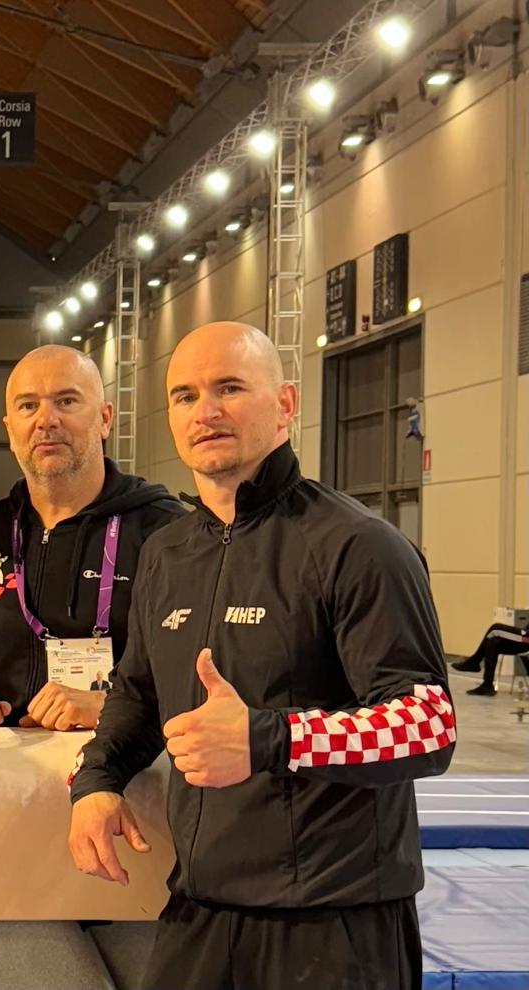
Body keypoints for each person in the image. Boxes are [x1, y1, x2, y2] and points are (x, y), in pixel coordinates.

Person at [68, 322, 456, 990]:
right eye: (185, 395)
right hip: (202, 909)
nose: (206, 411)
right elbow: (138, 693)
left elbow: (427, 726)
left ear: (286, 404)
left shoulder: (358, 544)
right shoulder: (166, 553)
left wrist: (268, 739)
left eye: (229, 388)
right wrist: (97, 780)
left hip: (333, 920)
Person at [0, 344, 182, 976]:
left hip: (127, 802)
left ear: (104, 417)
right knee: (7, 976)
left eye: (67, 401)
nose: (47, 419)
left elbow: (199, 676)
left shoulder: (167, 532)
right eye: (28, 406)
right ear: (8, 427)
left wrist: (110, 705)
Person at [449, 619, 529, 696]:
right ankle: (487, 686)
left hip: (526, 639)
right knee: (493, 642)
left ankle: (474, 662)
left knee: (495, 628)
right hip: (525, 636)